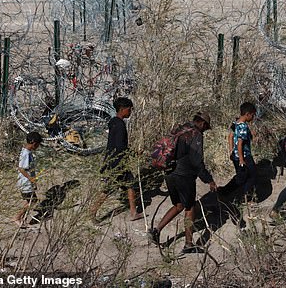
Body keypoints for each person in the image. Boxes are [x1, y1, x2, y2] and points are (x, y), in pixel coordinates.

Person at [149, 112, 217, 254]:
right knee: (189, 207)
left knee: (178, 205)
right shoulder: (195, 135)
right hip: (184, 176)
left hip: (169, 173)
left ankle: (156, 230)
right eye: (206, 127)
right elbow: (197, 162)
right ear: (203, 124)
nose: (205, 130)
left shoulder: (180, 129)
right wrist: (209, 179)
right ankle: (188, 244)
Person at [89, 97, 144, 223]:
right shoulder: (120, 125)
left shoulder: (113, 122)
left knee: (128, 184)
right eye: (129, 109)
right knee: (112, 187)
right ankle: (93, 211)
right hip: (118, 162)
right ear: (122, 109)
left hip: (113, 160)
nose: (130, 112)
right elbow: (120, 146)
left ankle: (133, 211)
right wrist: (134, 153)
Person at [14, 131, 43, 227]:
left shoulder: (27, 152)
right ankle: (17, 217)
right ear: (34, 143)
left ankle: (22, 218)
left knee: (29, 200)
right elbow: (21, 168)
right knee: (32, 201)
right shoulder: (26, 154)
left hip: (27, 182)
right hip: (25, 182)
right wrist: (30, 178)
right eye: (38, 145)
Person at [230, 102, 257, 203]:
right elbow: (240, 143)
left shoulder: (236, 123)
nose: (253, 117)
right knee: (252, 176)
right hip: (244, 156)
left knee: (241, 177)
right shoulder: (243, 127)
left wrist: (232, 150)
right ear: (247, 114)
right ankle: (241, 196)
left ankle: (236, 196)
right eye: (252, 115)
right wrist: (242, 160)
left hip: (237, 155)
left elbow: (231, 136)